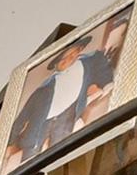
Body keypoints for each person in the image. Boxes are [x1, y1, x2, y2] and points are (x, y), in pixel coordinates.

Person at [6, 35, 118, 165]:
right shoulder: (44, 89)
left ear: (79, 50)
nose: (68, 60)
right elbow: (22, 117)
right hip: (42, 123)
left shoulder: (88, 62)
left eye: (72, 55)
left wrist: (103, 84)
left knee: (60, 155)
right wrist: (10, 142)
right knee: (31, 153)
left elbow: (103, 69)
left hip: (66, 116)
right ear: (56, 65)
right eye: (63, 60)